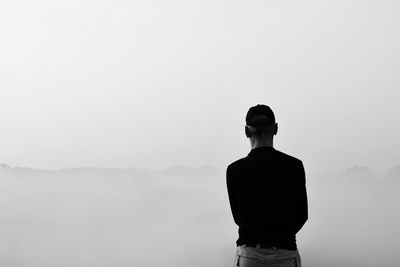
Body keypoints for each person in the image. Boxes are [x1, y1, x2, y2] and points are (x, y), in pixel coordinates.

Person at [226, 104, 308, 267]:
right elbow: (301, 215)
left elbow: (238, 217)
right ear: (276, 129)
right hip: (285, 252)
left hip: (250, 254)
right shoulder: (295, 166)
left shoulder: (234, 170)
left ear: (246, 131)